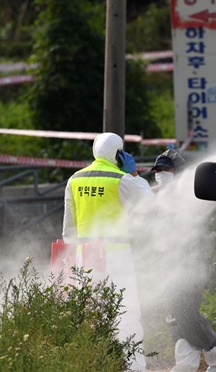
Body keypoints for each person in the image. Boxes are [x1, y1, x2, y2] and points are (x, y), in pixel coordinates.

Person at [62, 132, 155, 372]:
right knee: (127, 311)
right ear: (118, 154)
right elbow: (150, 204)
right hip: (116, 254)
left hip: (86, 257)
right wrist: (134, 173)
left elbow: (68, 231)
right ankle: (133, 368)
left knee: (92, 311)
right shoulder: (121, 179)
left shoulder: (74, 180)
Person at [150, 148, 216, 372]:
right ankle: (186, 362)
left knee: (185, 314)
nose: (161, 174)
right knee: (176, 315)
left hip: (191, 265)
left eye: (166, 169)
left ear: (178, 171)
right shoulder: (158, 196)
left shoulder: (190, 195)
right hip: (169, 266)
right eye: (158, 170)